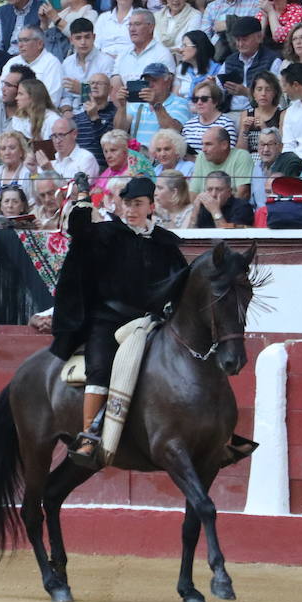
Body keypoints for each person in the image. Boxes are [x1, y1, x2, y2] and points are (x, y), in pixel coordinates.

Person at [50, 174, 186, 467]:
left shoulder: (166, 243)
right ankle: (89, 436)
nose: (130, 210)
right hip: (109, 321)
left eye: (137, 204)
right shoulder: (108, 234)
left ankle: (211, 431)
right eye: (126, 204)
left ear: (151, 206)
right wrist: (84, 197)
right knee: (99, 368)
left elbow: (180, 286)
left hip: (151, 323)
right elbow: (79, 228)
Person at [188, 125, 253, 197]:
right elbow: (193, 192)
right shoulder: (201, 156)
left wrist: (215, 207)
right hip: (204, 206)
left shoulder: (241, 156)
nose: (203, 149)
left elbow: (243, 194)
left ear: (224, 145)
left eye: (208, 144)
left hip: (233, 207)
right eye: (202, 144)